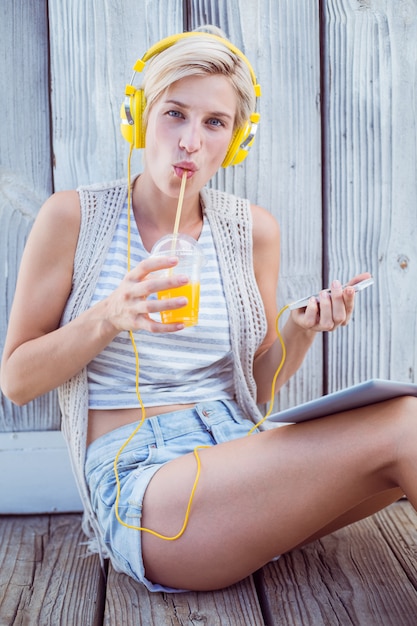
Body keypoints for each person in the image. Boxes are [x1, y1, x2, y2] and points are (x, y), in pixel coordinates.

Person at [1, 26, 416, 595]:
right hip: (146, 483)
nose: (190, 140)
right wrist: (108, 316)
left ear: (236, 140)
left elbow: (258, 384)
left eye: (214, 123)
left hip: (240, 454)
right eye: (174, 113)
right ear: (141, 117)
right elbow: (17, 381)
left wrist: (296, 330)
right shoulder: (73, 218)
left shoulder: (252, 230)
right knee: (405, 429)